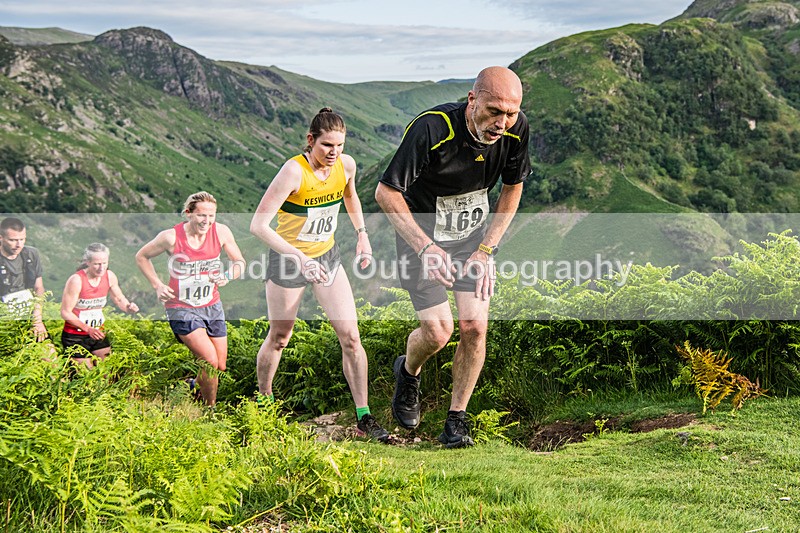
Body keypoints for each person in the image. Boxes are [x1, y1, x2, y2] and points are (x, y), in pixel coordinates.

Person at [375, 66, 531, 448]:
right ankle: (408, 371)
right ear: (472, 100)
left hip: (472, 241)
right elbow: (386, 193)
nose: (502, 123)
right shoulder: (432, 128)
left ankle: (455, 422)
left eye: (510, 114)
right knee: (438, 333)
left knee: (475, 328)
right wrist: (424, 247)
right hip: (422, 240)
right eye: (494, 111)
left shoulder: (516, 129)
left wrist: (487, 248)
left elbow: (513, 188)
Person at [250, 107, 389, 443]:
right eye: (327, 145)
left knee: (351, 337)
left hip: (326, 258)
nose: (333, 153)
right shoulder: (293, 172)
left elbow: (350, 195)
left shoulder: (346, 165)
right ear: (310, 140)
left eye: (339, 146)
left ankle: (364, 416)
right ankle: (264, 404)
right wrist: (298, 258)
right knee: (280, 337)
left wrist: (362, 235)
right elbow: (257, 225)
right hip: (287, 261)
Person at [135, 191, 245, 407]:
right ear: (188, 214)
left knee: (220, 365)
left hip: (212, 305)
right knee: (210, 362)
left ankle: (192, 385)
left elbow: (239, 262)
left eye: (211, 215)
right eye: (202, 215)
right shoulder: (171, 237)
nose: (207, 221)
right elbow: (141, 256)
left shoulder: (221, 232)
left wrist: (227, 276)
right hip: (181, 307)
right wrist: (157, 285)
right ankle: (210, 410)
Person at [60, 243, 139, 368]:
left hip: (97, 332)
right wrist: (87, 329)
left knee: (106, 372)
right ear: (87, 262)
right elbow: (65, 312)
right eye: (97, 264)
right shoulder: (76, 280)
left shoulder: (109, 276)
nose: (101, 268)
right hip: (76, 335)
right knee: (86, 376)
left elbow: (119, 299)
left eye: (104, 263)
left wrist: (128, 307)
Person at [0, 217, 49, 342]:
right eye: (13, 240)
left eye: (22, 239)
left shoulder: (31, 254)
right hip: (4, 320)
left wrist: (37, 319)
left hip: (29, 315)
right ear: (1, 238)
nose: (18, 245)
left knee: (50, 355)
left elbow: (39, 287)